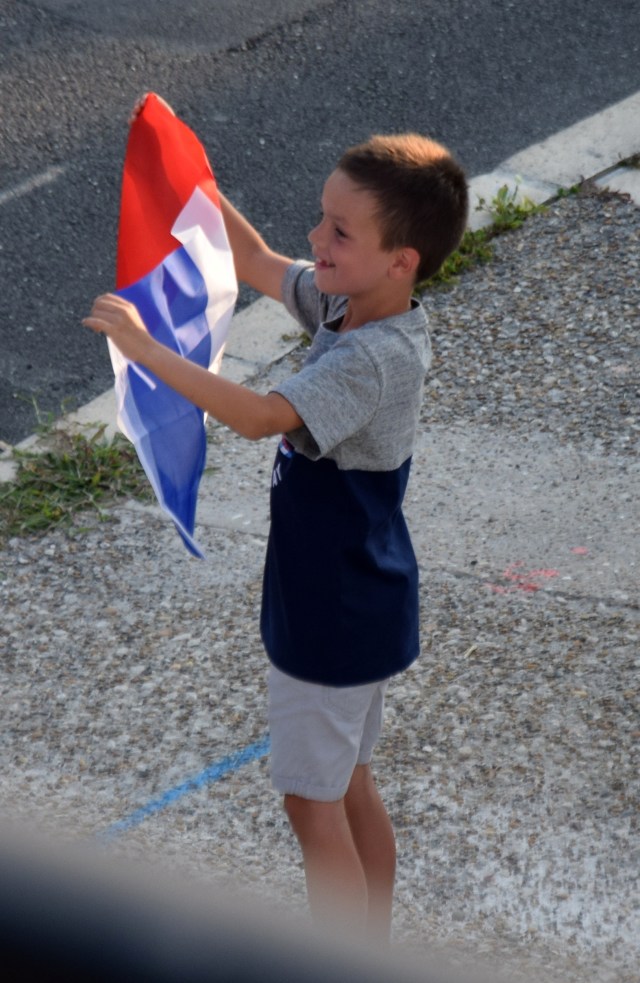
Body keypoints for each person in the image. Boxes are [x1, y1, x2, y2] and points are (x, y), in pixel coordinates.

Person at [83, 120, 468, 941]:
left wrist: (144, 348)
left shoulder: (371, 358)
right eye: (322, 218)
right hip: (363, 596)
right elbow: (256, 260)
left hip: (332, 614)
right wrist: (185, 172)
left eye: (339, 231)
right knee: (350, 782)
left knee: (310, 802)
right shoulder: (350, 302)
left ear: (400, 261)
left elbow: (261, 416)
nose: (316, 238)